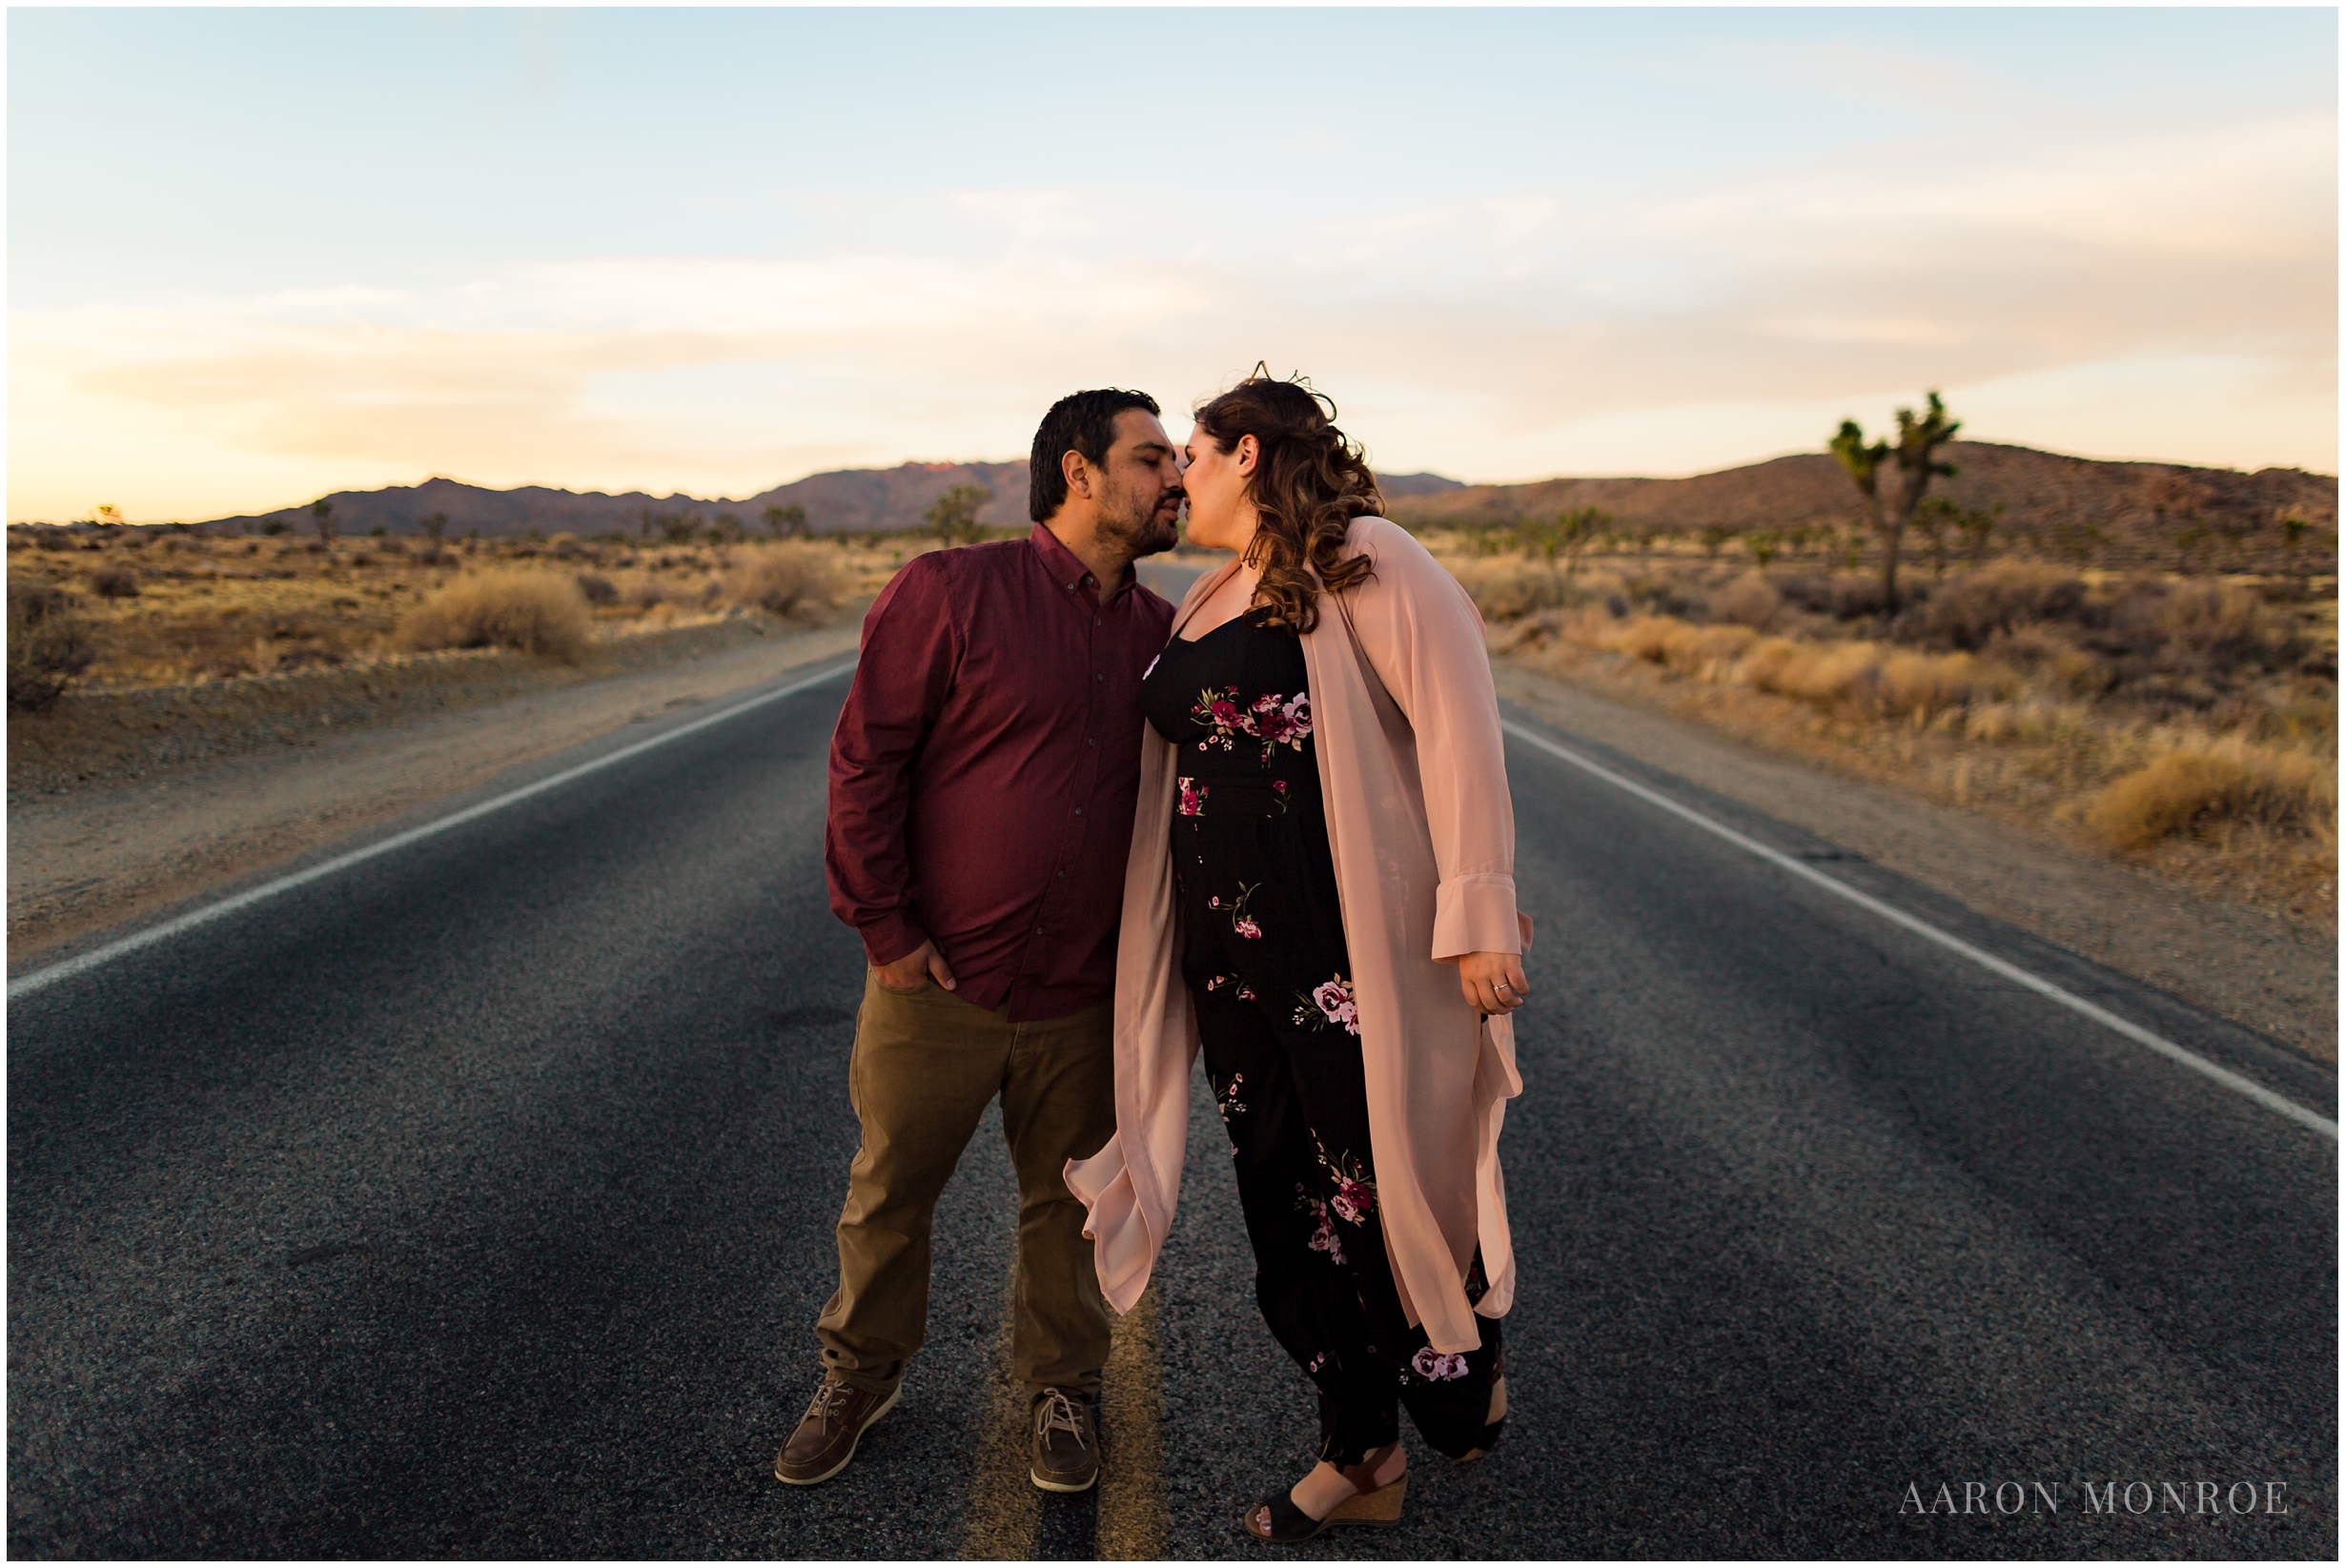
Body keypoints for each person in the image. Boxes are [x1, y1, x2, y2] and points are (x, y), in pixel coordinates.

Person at [1067, 372, 1529, 1541]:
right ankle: (1359, 1451)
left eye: (1196, 455)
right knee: (1286, 1199)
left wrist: (1478, 906)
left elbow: (1459, 716)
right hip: (1229, 960)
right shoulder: (1214, 593)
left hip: (1342, 950)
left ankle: (1456, 1363)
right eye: (1168, 458)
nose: (1180, 475)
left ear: (1253, 457)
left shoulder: (1365, 557)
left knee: (1376, 1178)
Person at [776, 389, 1182, 1493]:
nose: (1176, 479)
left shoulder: (1164, 635)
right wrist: (888, 931)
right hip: (938, 981)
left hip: (1084, 990)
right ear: (1078, 473)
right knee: (891, 1190)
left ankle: (1063, 1387)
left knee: (1072, 1204)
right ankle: (861, 1372)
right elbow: (866, 761)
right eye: (1151, 459)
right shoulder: (950, 592)